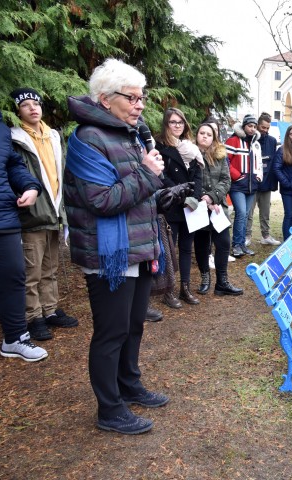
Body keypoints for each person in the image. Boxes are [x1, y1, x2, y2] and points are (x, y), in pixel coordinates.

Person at [64, 58, 193, 434]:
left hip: (138, 246)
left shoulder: (128, 133)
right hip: (108, 255)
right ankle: (109, 409)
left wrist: (162, 194)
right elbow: (102, 200)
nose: (140, 105)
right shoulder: (88, 139)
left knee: (134, 324)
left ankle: (129, 384)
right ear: (106, 100)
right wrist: (148, 175)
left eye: (142, 98)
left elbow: (136, 193)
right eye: (132, 98)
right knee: (111, 332)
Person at [9, 87, 78, 342]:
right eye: (25, 105)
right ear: (18, 110)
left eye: (35, 103)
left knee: (50, 266)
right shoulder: (15, 139)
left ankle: (50, 310)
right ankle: (33, 316)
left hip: (53, 211)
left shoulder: (52, 136)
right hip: (32, 214)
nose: (32, 108)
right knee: (32, 270)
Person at [0, 108, 45, 362]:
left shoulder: (1, 128)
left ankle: (15, 338)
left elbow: (13, 164)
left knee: (13, 276)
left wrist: (30, 186)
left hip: (4, 216)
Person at [155, 107, 204, 308]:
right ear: (166, 124)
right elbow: (160, 175)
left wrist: (194, 197)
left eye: (180, 122)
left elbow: (199, 175)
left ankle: (185, 288)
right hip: (171, 205)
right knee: (169, 249)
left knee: (186, 248)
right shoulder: (159, 146)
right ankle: (169, 290)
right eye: (173, 122)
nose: (177, 126)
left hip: (190, 207)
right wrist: (178, 193)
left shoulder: (190, 148)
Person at [193, 123, 243, 296]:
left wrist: (212, 197)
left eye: (209, 134)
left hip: (217, 208)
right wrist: (204, 199)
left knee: (223, 243)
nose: (205, 136)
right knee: (201, 244)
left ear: (214, 137)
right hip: (198, 208)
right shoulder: (190, 155)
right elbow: (191, 181)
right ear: (197, 135)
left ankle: (222, 282)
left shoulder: (220, 155)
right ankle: (205, 278)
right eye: (202, 133)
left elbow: (226, 180)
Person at [226, 114, 262, 258]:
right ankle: (236, 245)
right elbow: (225, 161)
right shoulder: (233, 140)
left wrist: (258, 176)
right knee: (240, 213)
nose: (252, 129)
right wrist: (236, 175)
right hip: (237, 185)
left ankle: (242, 245)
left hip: (251, 186)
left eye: (254, 126)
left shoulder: (255, 143)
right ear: (244, 126)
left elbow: (258, 162)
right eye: (250, 126)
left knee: (246, 215)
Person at [246, 112, 280, 247]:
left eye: (267, 128)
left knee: (265, 212)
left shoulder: (272, 141)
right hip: (252, 183)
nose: (265, 130)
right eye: (263, 127)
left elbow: (272, 162)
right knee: (249, 212)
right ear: (257, 126)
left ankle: (265, 235)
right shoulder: (251, 140)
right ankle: (246, 235)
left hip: (266, 183)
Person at [273, 124, 292, 240]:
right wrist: (287, 183)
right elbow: (276, 168)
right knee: (289, 214)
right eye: (291, 134)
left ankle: (291, 238)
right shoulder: (282, 150)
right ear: (287, 135)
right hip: (288, 189)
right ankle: (286, 240)